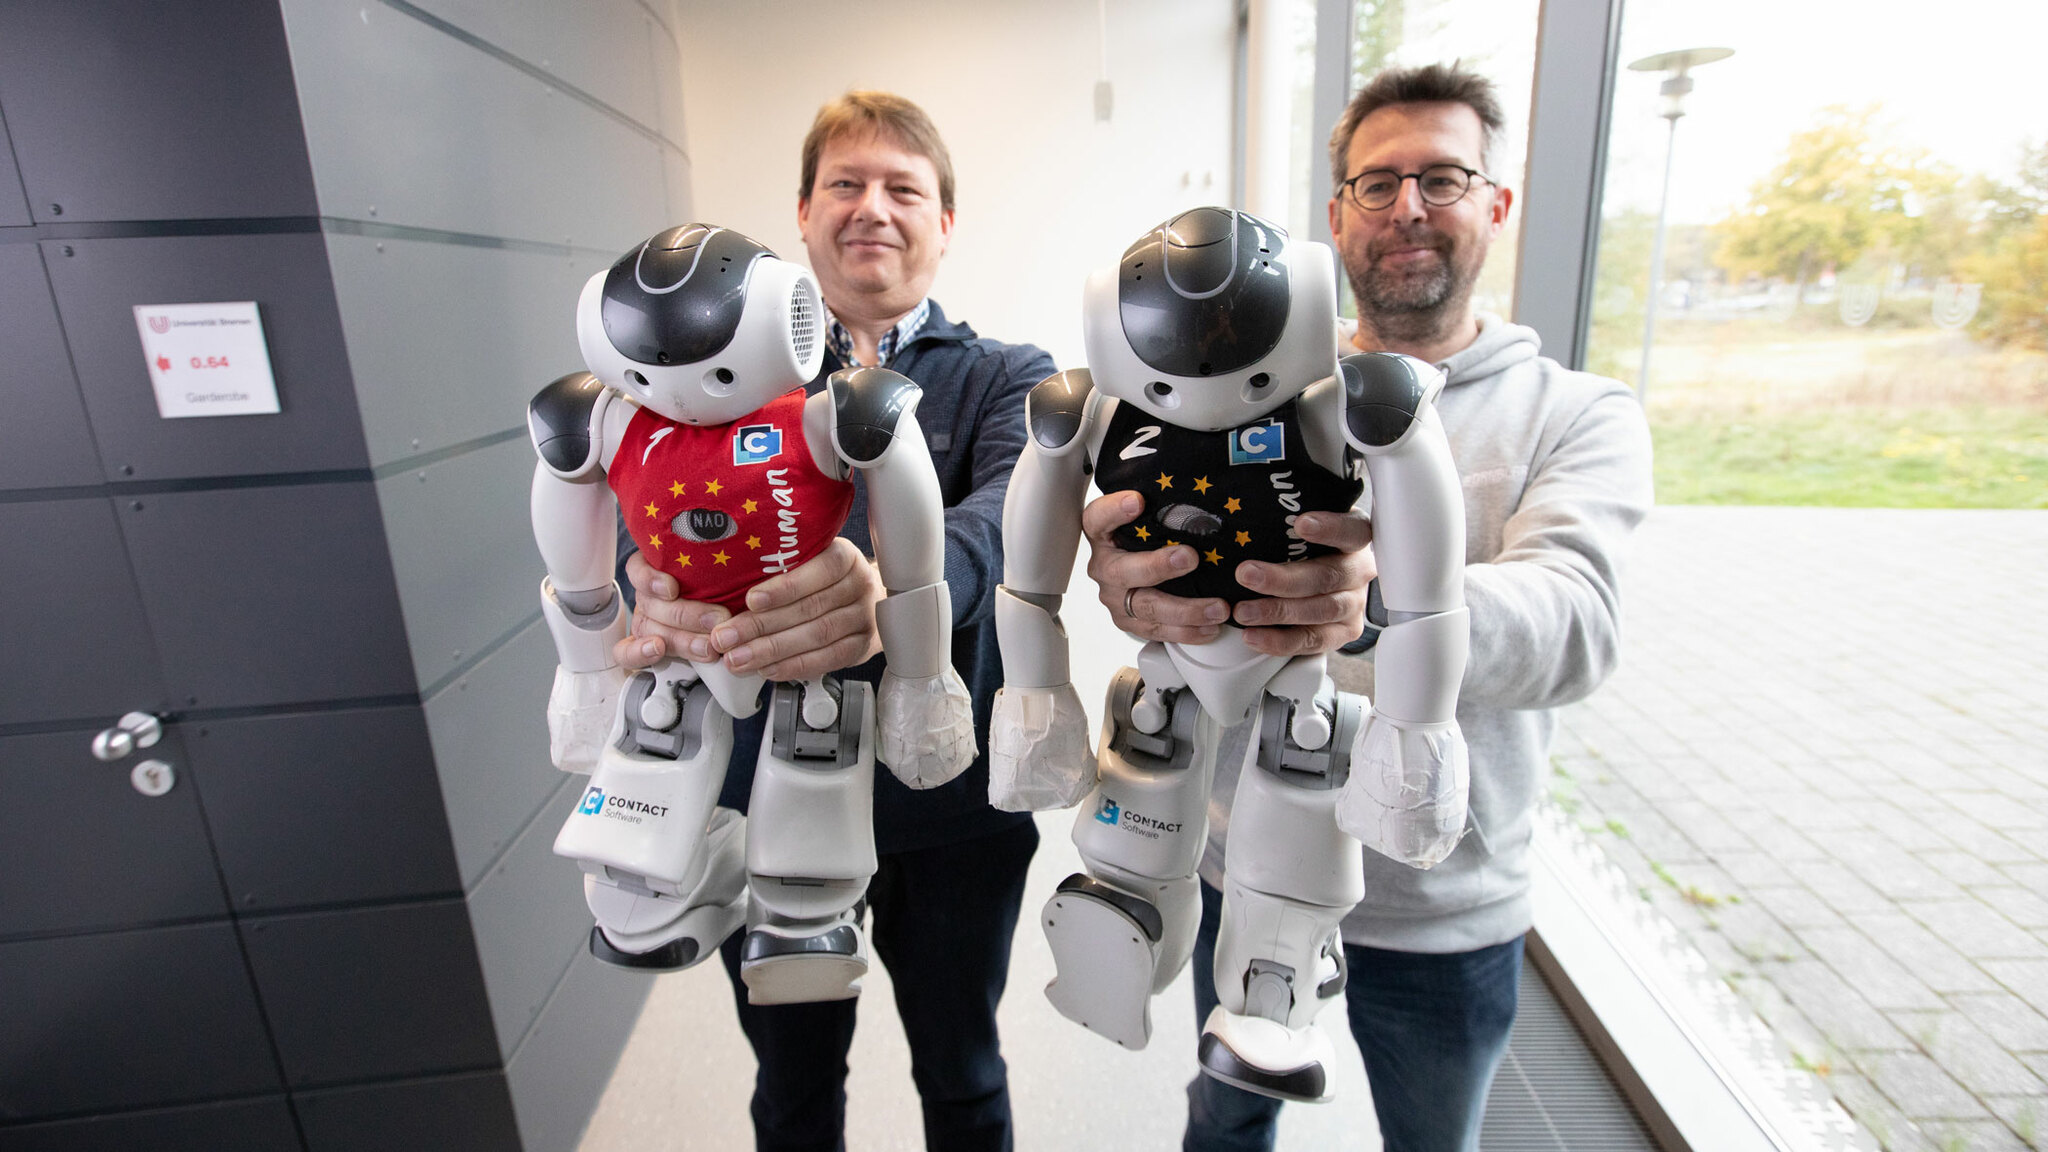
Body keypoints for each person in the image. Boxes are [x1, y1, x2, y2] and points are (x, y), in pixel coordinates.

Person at [1082, 62, 1655, 1152]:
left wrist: (1384, 594)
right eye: (1375, 182)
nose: (1406, 208)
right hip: (1239, 852)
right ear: (1334, 214)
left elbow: (1577, 625)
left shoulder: (1574, 413)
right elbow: (1149, 562)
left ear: (1496, 203)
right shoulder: (1234, 399)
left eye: (1440, 178)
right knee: (1223, 1121)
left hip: (1443, 903)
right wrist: (1139, 585)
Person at [613, 91, 1052, 1152]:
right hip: (763, 791)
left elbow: (1001, 529)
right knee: (794, 1088)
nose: (873, 208)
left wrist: (897, 593)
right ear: (801, 213)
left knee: (963, 1072)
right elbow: (647, 508)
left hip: (953, 806)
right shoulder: (698, 384)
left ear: (944, 223)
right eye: (845, 184)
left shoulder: (1006, 376)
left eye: (904, 188)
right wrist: (647, 585)